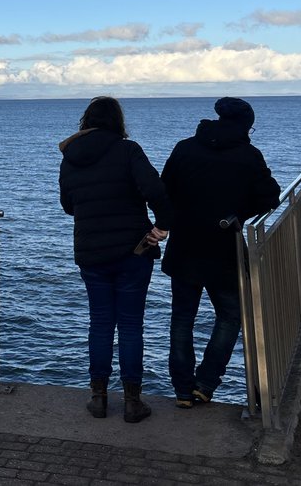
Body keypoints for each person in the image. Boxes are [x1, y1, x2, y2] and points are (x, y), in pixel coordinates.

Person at [160, 97, 279, 409]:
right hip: (224, 249)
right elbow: (270, 196)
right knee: (230, 316)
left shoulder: (185, 148)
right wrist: (238, 212)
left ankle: (183, 390)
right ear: (245, 126)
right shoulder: (248, 155)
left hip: (184, 247)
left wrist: (177, 217)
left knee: (182, 319)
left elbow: (163, 191)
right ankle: (206, 382)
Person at [59, 96, 171, 423]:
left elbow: (68, 205)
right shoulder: (128, 150)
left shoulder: (70, 157)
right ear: (117, 121)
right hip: (133, 250)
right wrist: (162, 226)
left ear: (86, 121)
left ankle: (98, 399)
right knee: (131, 325)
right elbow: (156, 190)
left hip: (91, 251)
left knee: (101, 323)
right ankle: (133, 403)